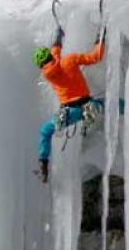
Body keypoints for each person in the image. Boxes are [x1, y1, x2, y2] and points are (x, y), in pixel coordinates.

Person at [34, 26, 106, 181]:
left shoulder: (48, 74)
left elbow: (54, 57)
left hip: (69, 114)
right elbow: (96, 56)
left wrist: (57, 40)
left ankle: (43, 164)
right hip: (89, 106)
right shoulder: (70, 60)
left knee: (46, 132)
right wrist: (100, 38)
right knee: (111, 104)